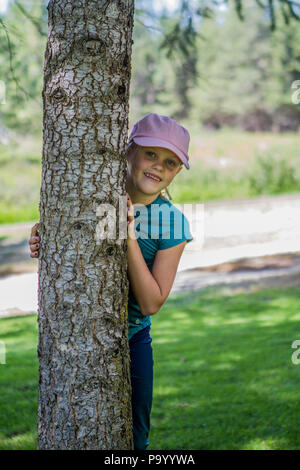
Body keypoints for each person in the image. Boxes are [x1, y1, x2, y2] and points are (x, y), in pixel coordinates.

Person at [29, 113, 193, 450]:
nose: (158, 167)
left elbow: (151, 303)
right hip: (77, 339)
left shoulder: (172, 222)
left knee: (134, 441)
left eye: (170, 162)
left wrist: (127, 232)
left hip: (132, 342)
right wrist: (43, 233)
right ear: (129, 150)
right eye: (150, 154)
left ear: (177, 171)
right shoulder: (93, 196)